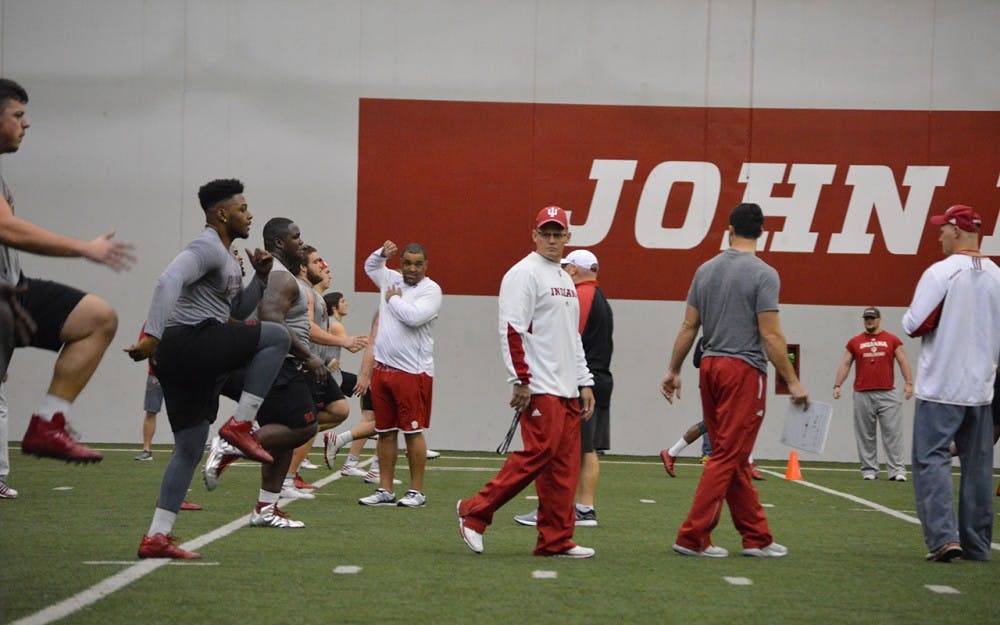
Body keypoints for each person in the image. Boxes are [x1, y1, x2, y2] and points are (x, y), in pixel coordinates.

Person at [128, 179, 292, 559]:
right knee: (277, 338)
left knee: (188, 447)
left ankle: (157, 536)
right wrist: (152, 334)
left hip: (184, 354)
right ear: (222, 213)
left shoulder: (226, 255)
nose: (249, 215)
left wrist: (260, 278)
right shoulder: (205, 246)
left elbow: (235, 311)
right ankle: (241, 424)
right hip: (188, 341)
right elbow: (167, 279)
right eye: (242, 209)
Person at [660, 202, 808, 559]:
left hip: (709, 368)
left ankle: (756, 536)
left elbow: (688, 326)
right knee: (728, 455)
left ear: (729, 229)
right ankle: (693, 536)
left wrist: (674, 369)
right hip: (743, 371)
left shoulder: (705, 270)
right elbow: (771, 336)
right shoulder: (765, 274)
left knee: (734, 457)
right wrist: (793, 381)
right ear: (762, 232)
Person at [0, 77, 136, 462]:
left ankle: (48, 422)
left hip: (11, 293)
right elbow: (5, 228)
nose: (26, 124)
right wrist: (85, 248)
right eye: (18, 115)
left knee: (97, 318)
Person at [457, 206, 596, 558]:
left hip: (566, 389)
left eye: (557, 234)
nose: (551, 239)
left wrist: (584, 381)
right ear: (534, 235)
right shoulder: (523, 273)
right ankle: (474, 511)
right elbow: (511, 329)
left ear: (567, 237)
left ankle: (555, 540)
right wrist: (520, 379)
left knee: (564, 468)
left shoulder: (565, 277)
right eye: (545, 233)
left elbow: (572, 337)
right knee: (539, 454)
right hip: (540, 386)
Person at [207, 218, 329, 527]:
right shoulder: (281, 278)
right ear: (278, 243)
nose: (301, 243)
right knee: (305, 428)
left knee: (284, 439)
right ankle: (234, 442)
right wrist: (309, 356)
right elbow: (271, 319)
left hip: (283, 362)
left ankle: (265, 509)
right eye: (296, 237)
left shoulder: (279, 275)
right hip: (278, 362)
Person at [901, 204, 1000, 562]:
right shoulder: (996, 276)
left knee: (931, 460)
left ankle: (944, 538)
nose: (939, 234)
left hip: (941, 385)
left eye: (943, 228)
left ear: (957, 231)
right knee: (978, 468)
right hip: (981, 390)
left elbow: (914, 324)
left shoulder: (941, 272)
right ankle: (976, 544)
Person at [513, 248, 612, 528]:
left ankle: (558, 509)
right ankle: (583, 508)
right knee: (586, 447)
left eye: (569, 267)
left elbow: (567, 338)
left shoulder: (580, 296)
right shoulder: (599, 296)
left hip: (579, 382)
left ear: (577, 269)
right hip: (597, 378)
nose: (565, 271)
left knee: (560, 448)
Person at [358, 240, 442, 508]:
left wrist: (392, 299)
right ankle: (385, 489)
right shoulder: (391, 278)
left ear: (426, 266)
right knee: (384, 431)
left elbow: (414, 317)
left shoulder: (431, 290)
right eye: (407, 263)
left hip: (412, 372)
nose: (412, 269)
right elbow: (369, 266)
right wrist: (381, 253)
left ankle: (416, 491)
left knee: (412, 432)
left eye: (418, 264)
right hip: (383, 368)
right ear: (401, 263)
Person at [660, 338, 765, 480]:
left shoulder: (733, 339)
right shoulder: (706, 340)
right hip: (713, 384)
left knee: (735, 422)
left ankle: (672, 453)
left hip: (729, 384)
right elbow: (696, 362)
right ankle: (672, 453)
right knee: (719, 423)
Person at [832, 307, 914, 481]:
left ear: (879, 319)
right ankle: (869, 469)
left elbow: (902, 360)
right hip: (862, 394)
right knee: (865, 434)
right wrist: (837, 385)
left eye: (872, 318)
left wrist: (908, 383)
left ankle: (897, 470)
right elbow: (846, 363)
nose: (869, 321)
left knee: (893, 434)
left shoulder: (892, 339)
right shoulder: (855, 342)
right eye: (867, 318)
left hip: (888, 393)